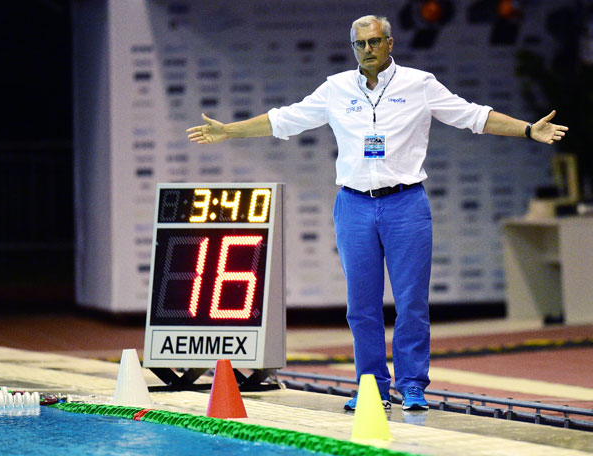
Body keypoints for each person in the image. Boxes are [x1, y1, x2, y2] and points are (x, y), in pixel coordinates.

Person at [187, 15, 568, 411]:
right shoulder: (335, 88)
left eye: (373, 42)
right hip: (353, 205)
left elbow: (472, 115)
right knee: (361, 306)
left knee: (412, 303)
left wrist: (528, 129)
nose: (367, 50)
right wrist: (229, 130)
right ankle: (371, 387)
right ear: (353, 48)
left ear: (390, 43)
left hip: (406, 203)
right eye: (359, 44)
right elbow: (285, 119)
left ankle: (413, 385)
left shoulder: (419, 84)